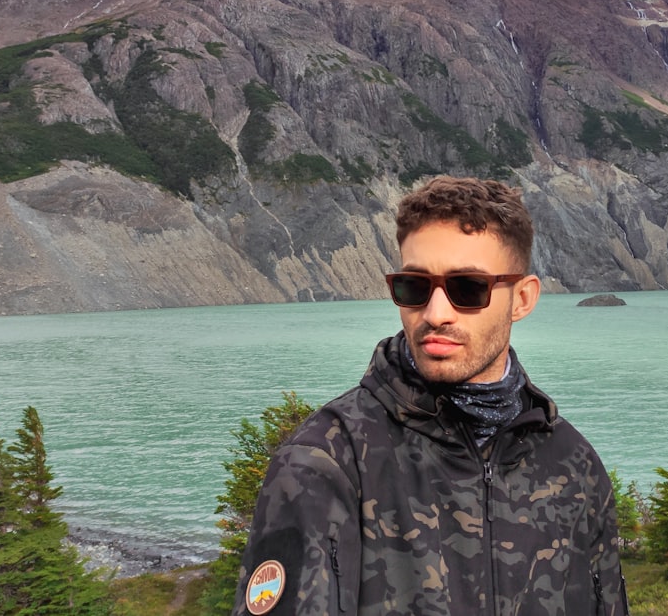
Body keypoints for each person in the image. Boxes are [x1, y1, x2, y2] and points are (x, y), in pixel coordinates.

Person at [232, 176, 629, 615]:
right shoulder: (326, 462)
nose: (436, 314)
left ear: (522, 298)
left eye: (468, 289)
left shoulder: (575, 465)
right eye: (414, 287)